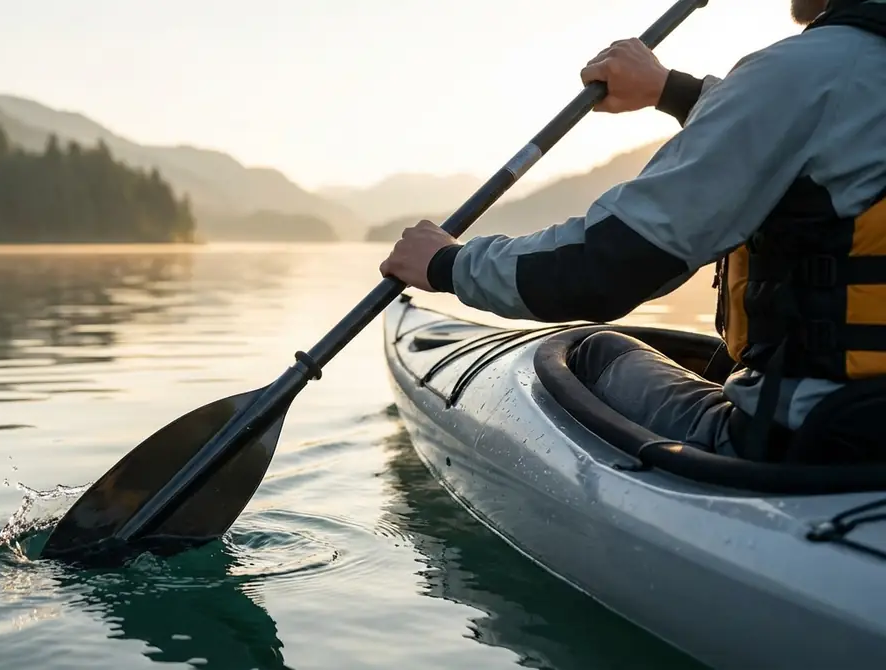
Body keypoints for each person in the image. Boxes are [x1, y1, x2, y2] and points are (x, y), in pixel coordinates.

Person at [379, 0, 886, 462]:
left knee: (589, 353)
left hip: (815, 442)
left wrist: (448, 264)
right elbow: (823, 130)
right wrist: (671, 90)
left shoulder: (807, 69)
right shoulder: (835, 78)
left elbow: (605, 269)